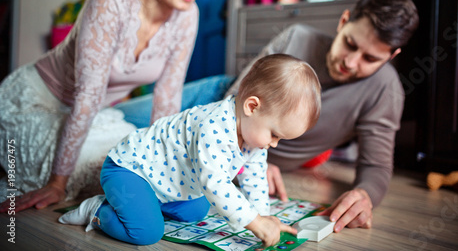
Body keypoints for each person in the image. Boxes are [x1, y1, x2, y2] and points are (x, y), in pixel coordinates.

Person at [0, 0, 226, 212]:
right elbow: (87, 97)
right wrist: (57, 183)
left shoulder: (188, 15)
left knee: (125, 159)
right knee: (93, 167)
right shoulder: (110, 1)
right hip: (35, 101)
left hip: (95, 115)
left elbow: (167, 100)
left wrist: (165, 172)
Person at [58, 54, 322, 247]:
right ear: (251, 107)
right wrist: (253, 221)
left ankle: (143, 203)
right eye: (275, 134)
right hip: (129, 169)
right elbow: (216, 183)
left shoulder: (254, 135)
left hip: (166, 181)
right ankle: (97, 210)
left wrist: (263, 215)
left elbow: (254, 176)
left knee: (197, 210)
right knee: (147, 233)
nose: (274, 143)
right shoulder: (214, 125)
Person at [225, 0, 419, 233]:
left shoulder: (385, 89)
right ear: (343, 21)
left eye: (369, 58)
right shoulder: (297, 38)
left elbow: (375, 166)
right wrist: (250, 159)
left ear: (391, 56)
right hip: (221, 103)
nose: (350, 62)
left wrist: (364, 194)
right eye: (350, 44)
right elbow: (230, 107)